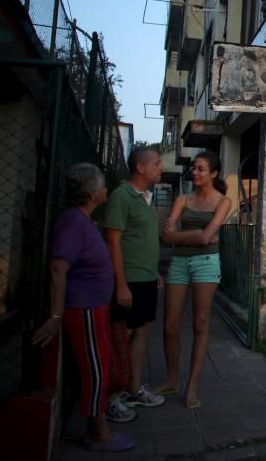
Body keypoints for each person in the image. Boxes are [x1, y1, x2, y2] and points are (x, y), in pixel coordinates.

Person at [32, 163, 137, 453]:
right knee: (95, 369)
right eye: (103, 185)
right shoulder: (73, 223)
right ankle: (99, 433)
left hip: (95, 306)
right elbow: (58, 268)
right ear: (92, 193)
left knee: (99, 366)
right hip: (84, 308)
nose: (106, 189)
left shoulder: (83, 221)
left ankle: (97, 427)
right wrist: (55, 316)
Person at [156, 151, 232, 409]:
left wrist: (186, 235)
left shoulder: (224, 202)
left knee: (200, 323)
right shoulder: (182, 198)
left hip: (206, 263)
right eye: (194, 169)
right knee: (169, 326)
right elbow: (166, 237)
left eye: (201, 169)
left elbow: (200, 239)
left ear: (214, 174)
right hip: (179, 262)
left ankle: (191, 388)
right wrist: (199, 232)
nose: (195, 173)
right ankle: (172, 379)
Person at [103, 145, 166, 410]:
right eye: (156, 163)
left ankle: (132, 388)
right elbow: (113, 241)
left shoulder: (146, 198)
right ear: (141, 167)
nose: (160, 167)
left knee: (142, 332)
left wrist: (155, 274)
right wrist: (121, 284)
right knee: (122, 336)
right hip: (128, 281)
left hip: (147, 279)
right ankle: (109, 396)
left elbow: (143, 240)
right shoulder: (122, 196)